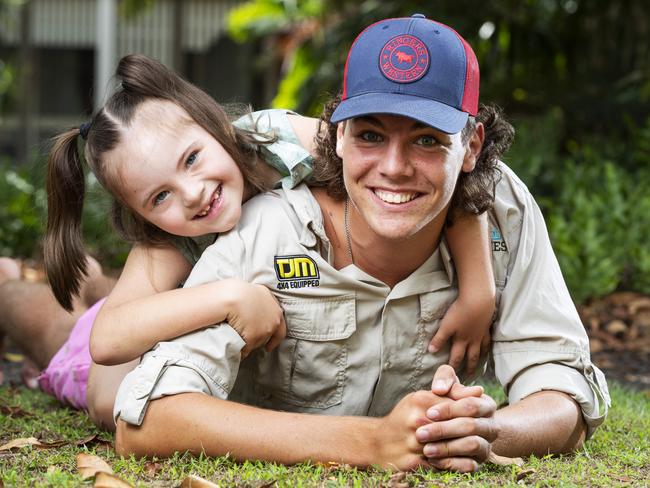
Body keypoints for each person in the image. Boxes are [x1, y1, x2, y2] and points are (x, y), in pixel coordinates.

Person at [112, 15, 610, 472]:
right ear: (339, 136)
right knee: (95, 386)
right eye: (371, 135)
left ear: (472, 146)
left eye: (427, 139)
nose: (394, 167)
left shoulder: (502, 213)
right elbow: (147, 416)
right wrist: (369, 442)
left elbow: (563, 386)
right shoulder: (259, 222)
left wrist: (482, 430)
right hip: (146, 320)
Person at [0, 53, 494, 428]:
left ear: (211, 120)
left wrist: (478, 289)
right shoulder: (164, 240)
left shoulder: (283, 139)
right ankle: (9, 289)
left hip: (173, 301)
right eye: (159, 197)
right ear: (140, 215)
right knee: (99, 386)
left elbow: (430, 181)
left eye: (192, 159)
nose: (193, 195)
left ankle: (92, 282)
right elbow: (107, 341)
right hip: (160, 329)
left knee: (111, 302)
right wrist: (232, 296)